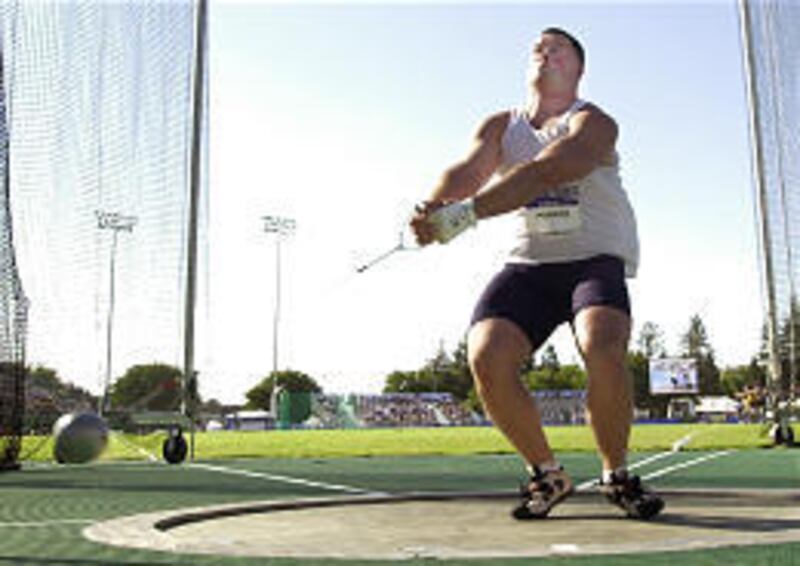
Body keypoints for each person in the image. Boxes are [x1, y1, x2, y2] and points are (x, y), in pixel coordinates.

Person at [410, 28, 664, 520]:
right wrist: (433, 208)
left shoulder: (592, 122)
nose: (546, 52)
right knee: (486, 356)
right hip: (529, 264)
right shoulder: (502, 126)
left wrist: (463, 216)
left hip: (593, 257)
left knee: (603, 345)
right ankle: (546, 473)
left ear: (579, 69)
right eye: (538, 48)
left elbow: (547, 172)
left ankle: (617, 476)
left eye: (559, 48)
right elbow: (467, 172)